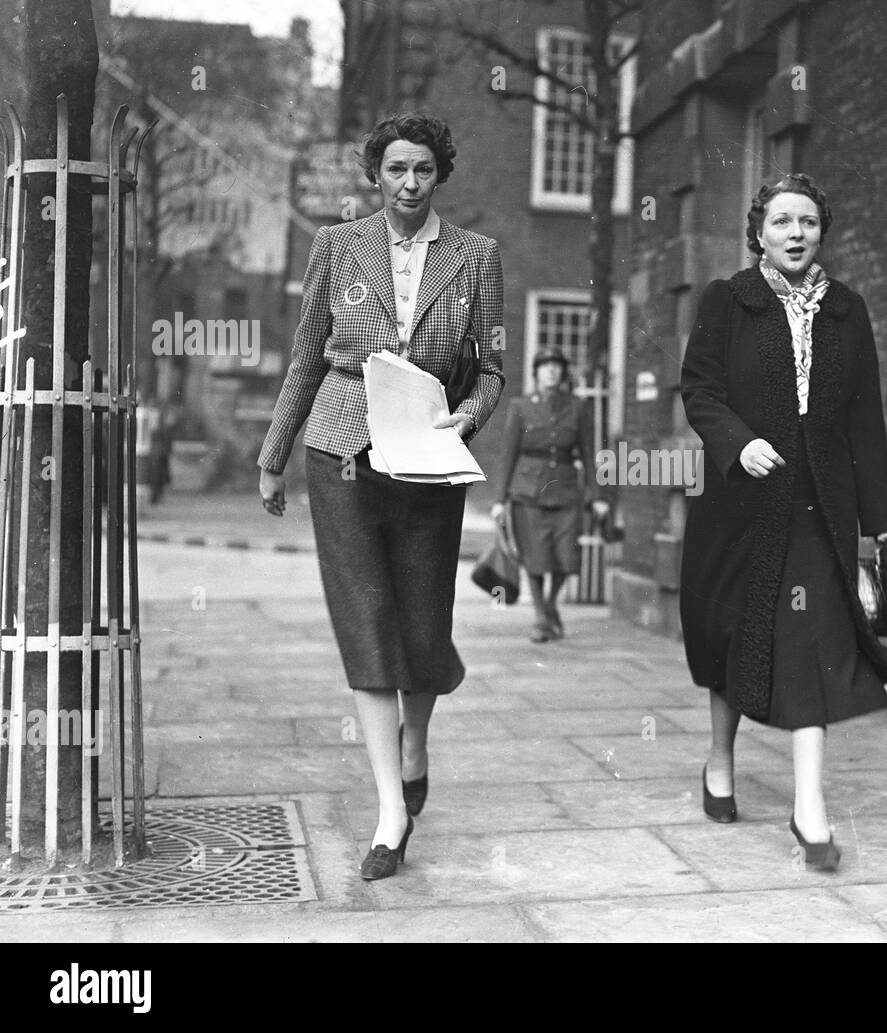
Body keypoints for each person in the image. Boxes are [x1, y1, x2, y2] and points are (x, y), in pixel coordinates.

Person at [257, 112, 504, 880]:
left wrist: (465, 417)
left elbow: (492, 368)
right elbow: (305, 355)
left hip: (430, 456)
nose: (408, 183)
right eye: (395, 169)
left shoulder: (476, 257)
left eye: (422, 170)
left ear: (440, 175)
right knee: (366, 623)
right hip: (342, 448)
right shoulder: (336, 247)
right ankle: (391, 811)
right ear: (375, 174)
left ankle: (415, 740)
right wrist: (274, 456)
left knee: (424, 625)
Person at [679, 172, 887, 872]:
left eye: (808, 222)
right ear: (759, 230)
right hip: (739, 504)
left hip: (820, 508)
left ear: (821, 232)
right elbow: (699, 390)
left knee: (812, 639)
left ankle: (808, 805)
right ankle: (720, 757)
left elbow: (864, 424)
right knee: (732, 632)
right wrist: (737, 441)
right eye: (782, 221)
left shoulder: (847, 310)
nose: (795, 233)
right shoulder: (728, 302)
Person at [490, 351, 609, 642]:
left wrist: (597, 496)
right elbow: (508, 455)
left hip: (567, 490)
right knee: (534, 556)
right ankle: (542, 618)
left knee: (565, 556)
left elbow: (591, 455)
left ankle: (551, 603)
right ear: (536, 373)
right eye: (545, 368)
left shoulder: (578, 407)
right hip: (527, 492)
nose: (551, 373)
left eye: (556, 368)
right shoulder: (520, 407)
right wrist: (499, 499)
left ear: (563, 373)